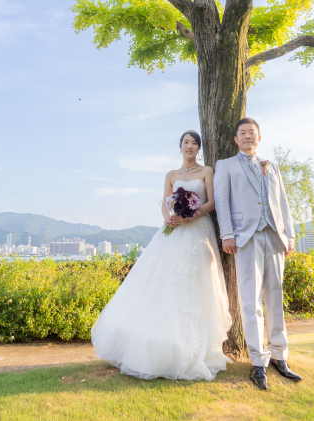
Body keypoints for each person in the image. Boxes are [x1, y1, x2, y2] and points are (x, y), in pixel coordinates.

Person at [91, 130, 231, 381]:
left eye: (194, 143)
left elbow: (211, 202)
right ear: (180, 147)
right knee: (165, 283)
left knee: (195, 285)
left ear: (199, 148)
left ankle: (193, 350)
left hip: (198, 232)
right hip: (174, 231)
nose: (190, 146)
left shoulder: (206, 171)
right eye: (186, 142)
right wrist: (168, 217)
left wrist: (192, 214)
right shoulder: (171, 175)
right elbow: (164, 202)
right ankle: (160, 346)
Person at [214, 117, 303, 390]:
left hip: (275, 236)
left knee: (275, 295)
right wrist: (227, 234)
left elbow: (283, 202)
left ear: (259, 138)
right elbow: (222, 200)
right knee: (250, 300)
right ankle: (257, 361)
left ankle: (280, 355)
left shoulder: (271, 166)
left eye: (253, 132)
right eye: (243, 133)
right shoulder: (226, 165)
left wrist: (289, 235)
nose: (248, 136)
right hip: (245, 236)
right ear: (236, 139)